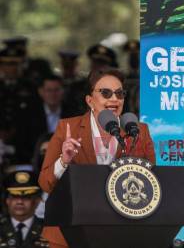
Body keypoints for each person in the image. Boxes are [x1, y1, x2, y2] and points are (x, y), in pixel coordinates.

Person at [38, 68, 156, 248]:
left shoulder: (138, 130)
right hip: (71, 233)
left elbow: (151, 182)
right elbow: (45, 183)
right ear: (90, 100)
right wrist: (64, 161)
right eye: (106, 93)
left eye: (119, 93)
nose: (114, 99)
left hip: (122, 233)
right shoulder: (68, 128)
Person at [0, 167, 49, 247]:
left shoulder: (49, 230)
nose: (20, 202)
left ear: (37, 201)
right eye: (14, 196)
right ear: (7, 200)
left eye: (26, 197)